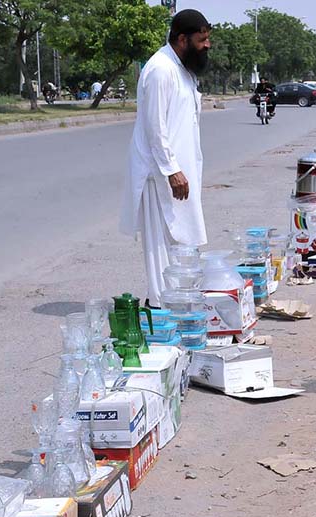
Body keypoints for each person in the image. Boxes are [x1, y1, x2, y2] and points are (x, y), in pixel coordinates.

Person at [119, 9, 212, 308]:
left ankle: (176, 304)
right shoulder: (160, 69)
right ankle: (160, 308)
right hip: (158, 175)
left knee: (182, 242)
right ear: (182, 39)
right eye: (202, 39)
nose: (207, 45)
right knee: (162, 246)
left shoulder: (183, 69)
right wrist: (172, 170)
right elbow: (154, 126)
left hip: (180, 173)